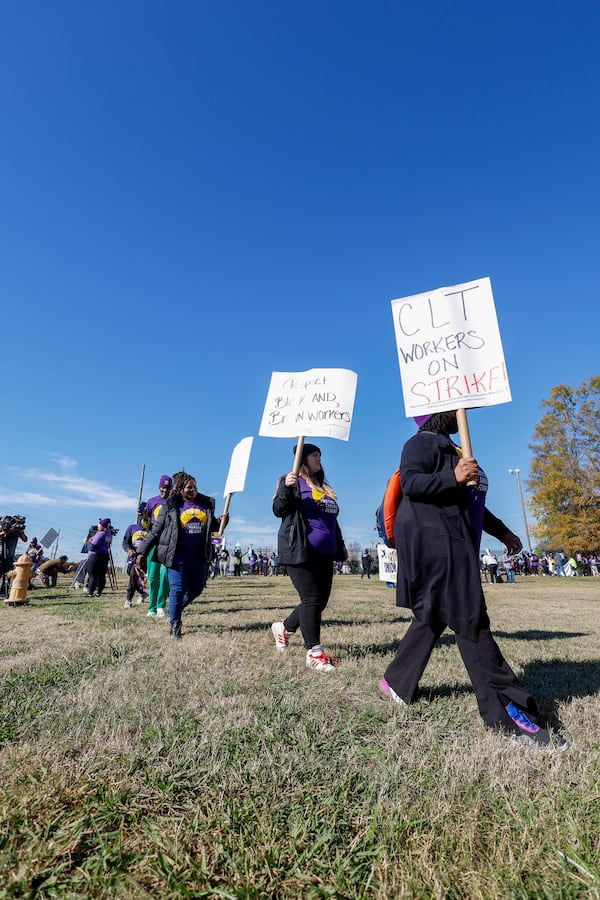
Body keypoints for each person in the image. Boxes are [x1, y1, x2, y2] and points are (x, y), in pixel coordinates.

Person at [378, 411, 565, 749]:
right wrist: (453, 475)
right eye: (453, 408)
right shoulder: (420, 443)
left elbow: (473, 504)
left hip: (457, 541)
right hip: (437, 544)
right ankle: (506, 714)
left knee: (435, 616)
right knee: (471, 621)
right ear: (436, 414)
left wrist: (504, 532)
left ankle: (395, 681)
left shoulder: (455, 447)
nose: (460, 414)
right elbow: (412, 483)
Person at [271, 443, 347, 672]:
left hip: (325, 552)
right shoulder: (292, 481)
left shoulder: (323, 486)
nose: (319, 459)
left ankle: (283, 628)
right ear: (303, 459)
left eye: (320, 456)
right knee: (312, 599)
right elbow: (278, 509)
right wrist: (286, 487)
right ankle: (314, 653)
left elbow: (331, 520)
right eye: (315, 455)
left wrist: (341, 546)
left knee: (319, 601)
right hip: (300, 550)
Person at [137, 470, 228, 639]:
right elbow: (155, 531)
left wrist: (222, 522)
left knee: (196, 589)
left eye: (194, 486)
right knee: (177, 590)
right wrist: (141, 551)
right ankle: (175, 624)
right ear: (180, 489)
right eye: (188, 487)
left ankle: (175, 608)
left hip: (199, 557)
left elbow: (212, 527)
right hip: (177, 557)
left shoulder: (205, 504)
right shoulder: (171, 506)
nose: (192, 490)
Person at [143, 475, 173, 619]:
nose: (165, 490)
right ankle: (152, 607)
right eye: (163, 487)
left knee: (165, 575)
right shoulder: (151, 502)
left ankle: (161, 605)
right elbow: (146, 525)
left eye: (168, 488)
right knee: (153, 576)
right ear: (159, 487)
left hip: (168, 543)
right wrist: (143, 518)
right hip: (154, 542)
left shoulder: (175, 501)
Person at [122, 514, 151, 608]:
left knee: (133, 577)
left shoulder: (152, 529)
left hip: (144, 559)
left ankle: (128, 600)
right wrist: (129, 550)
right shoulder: (132, 528)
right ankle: (142, 593)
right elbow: (125, 542)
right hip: (132, 557)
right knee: (132, 575)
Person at [85, 518, 113, 597]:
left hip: (95, 556)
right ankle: (99, 592)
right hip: (104, 556)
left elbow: (92, 547)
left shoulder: (100, 534)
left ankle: (90, 593)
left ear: (102, 526)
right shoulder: (109, 535)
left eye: (99, 524)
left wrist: (86, 542)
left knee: (92, 575)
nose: (98, 526)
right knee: (101, 575)